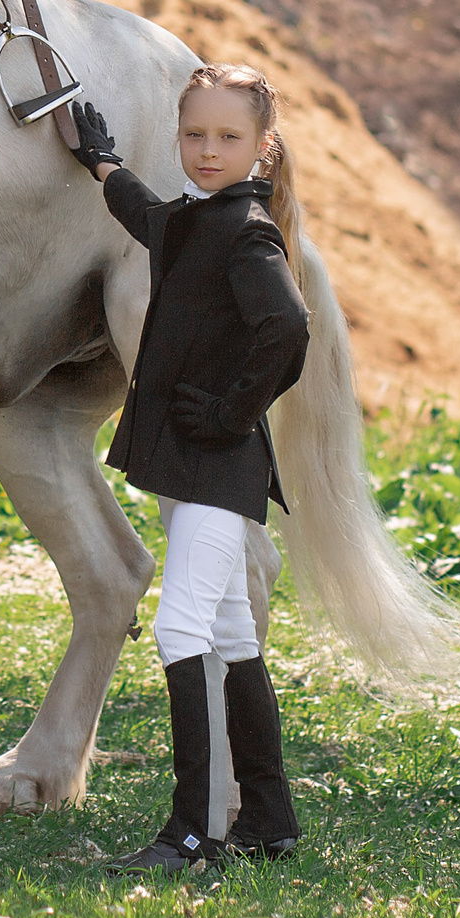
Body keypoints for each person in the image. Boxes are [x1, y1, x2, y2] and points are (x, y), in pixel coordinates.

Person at [69, 63, 309, 873]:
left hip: (217, 460)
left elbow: (286, 326)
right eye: (194, 134)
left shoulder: (246, 228)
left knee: (183, 628)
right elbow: (150, 217)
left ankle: (196, 831)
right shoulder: (201, 217)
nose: (207, 150)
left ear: (262, 146)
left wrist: (233, 411)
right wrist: (102, 163)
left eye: (228, 137)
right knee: (232, 629)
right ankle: (268, 819)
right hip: (199, 461)